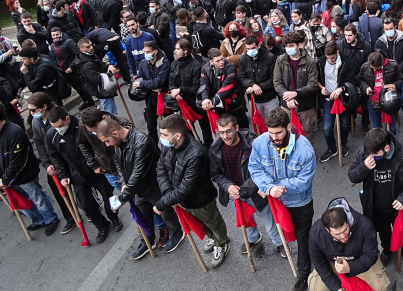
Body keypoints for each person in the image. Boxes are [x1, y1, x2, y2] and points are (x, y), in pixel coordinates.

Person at [96, 113, 184, 259]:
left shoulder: (142, 143)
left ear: (114, 133)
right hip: (138, 189)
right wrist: (124, 183)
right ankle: (148, 240)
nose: (107, 144)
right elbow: (119, 166)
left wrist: (122, 198)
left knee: (166, 212)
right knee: (143, 215)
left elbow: (138, 174)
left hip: (154, 185)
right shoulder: (118, 144)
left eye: (107, 141)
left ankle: (176, 233)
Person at [249, 109, 316, 291]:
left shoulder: (305, 149)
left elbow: (304, 181)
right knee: (280, 230)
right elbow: (254, 168)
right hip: (276, 201)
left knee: (303, 238)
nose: (274, 137)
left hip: (299, 202)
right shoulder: (260, 143)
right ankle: (282, 247)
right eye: (270, 133)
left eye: (278, 133)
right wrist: (268, 187)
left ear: (288, 127)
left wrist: (275, 186)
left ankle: (304, 273)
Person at [156, 114, 231, 268]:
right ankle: (214, 238)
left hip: (200, 200)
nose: (161, 138)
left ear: (177, 136)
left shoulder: (196, 154)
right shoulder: (168, 145)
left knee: (213, 222)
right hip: (180, 199)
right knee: (202, 224)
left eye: (164, 135)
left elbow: (186, 188)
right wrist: (169, 193)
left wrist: (163, 202)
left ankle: (222, 243)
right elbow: (161, 168)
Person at [210, 113, 287, 257]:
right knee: (245, 222)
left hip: (255, 192)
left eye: (229, 131)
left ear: (236, 128)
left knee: (269, 221)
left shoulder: (253, 144)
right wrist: (227, 186)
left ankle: (279, 242)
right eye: (221, 132)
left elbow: (264, 169)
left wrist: (244, 190)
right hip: (233, 194)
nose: (225, 136)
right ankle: (252, 239)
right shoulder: (215, 148)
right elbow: (215, 173)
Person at [0, 100, 61, 236]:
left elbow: (17, 161)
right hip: (8, 177)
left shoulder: (14, 132)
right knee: (24, 201)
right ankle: (39, 219)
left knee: (37, 198)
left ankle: (51, 218)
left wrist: (5, 180)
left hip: (24, 175)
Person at [46, 106, 122, 244]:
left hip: (96, 170)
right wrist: (63, 175)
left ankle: (114, 218)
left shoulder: (82, 126)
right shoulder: (52, 134)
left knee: (108, 196)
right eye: (54, 127)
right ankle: (102, 226)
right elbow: (55, 157)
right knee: (85, 205)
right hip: (76, 175)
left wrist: (96, 164)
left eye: (60, 126)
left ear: (67, 119)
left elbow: (96, 146)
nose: (58, 129)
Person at [348, 127, 403, 265]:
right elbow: (352, 176)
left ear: (386, 148)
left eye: (375, 153)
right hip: (377, 207)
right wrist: (363, 167)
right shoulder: (364, 152)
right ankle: (387, 249)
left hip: (401, 206)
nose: (371, 156)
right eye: (369, 152)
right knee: (383, 231)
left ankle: (402, 246)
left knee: (402, 229)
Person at [307, 198, 390, 291]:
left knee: (379, 287)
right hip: (333, 262)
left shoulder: (365, 225)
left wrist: (349, 268)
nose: (343, 236)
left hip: (360, 259)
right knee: (316, 288)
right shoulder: (316, 233)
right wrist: (336, 288)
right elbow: (319, 262)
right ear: (327, 230)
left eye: (345, 230)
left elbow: (370, 256)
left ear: (347, 221)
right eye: (337, 234)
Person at [25, 92, 77, 234]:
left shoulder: (58, 116)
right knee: (59, 191)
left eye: (33, 110)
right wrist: (47, 164)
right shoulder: (36, 122)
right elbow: (40, 144)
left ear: (44, 107)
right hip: (53, 162)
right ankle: (71, 217)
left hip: (68, 158)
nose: (31, 113)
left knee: (80, 187)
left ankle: (91, 209)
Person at [274, 31, 319, 134]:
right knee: (288, 134)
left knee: (307, 134)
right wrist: (288, 97)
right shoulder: (280, 61)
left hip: (305, 106)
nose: (288, 48)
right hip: (287, 106)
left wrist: (296, 93)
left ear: (298, 45)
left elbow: (312, 84)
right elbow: (277, 82)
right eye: (286, 46)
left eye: (291, 45)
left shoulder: (309, 61)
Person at [375, 18, 403, 131]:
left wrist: (396, 70)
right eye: (386, 29)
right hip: (385, 75)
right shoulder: (379, 42)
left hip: (400, 75)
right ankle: (391, 117)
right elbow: (377, 58)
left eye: (391, 28)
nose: (389, 31)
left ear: (395, 27)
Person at [199, 49, 250, 129]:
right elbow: (204, 84)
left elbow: (227, 87)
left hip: (233, 104)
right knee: (225, 128)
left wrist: (213, 101)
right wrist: (205, 98)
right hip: (219, 107)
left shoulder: (230, 68)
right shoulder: (205, 69)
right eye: (218, 61)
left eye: (222, 59)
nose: (221, 62)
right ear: (211, 62)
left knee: (242, 127)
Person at [238, 34, 280, 120]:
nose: (250, 51)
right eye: (248, 49)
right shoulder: (243, 59)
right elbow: (242, 77)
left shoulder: (270, 57)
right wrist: (252, 85)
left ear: (259, 45)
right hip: (254, 100)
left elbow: (274, 78)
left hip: (270, 99)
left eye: (253, 48)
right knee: (259, 125)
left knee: (274, 122)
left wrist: (258, 87)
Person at [74, 38, 120, 115]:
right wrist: (111, 75)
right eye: (88, 47)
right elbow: (98, 79)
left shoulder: (90, 55)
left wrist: (108, 66)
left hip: (104, 88)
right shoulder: (86, 65)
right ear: (81, 50)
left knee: (111, 108)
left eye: (91, 45)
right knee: (110, 110)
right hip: (102, 90)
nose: (91, 48)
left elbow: (101, 65)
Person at [134, 41, 170, 137]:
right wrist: (148, 85)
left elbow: (159, 82)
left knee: (169, 127)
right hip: (150, 99)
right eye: (145, 52)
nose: (146, 54)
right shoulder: (143, 63)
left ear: (155, 51)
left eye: (148, 52)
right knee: (151, 127)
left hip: (163, 97)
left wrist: (142, 84)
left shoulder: (164, 62)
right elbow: (141, 78)